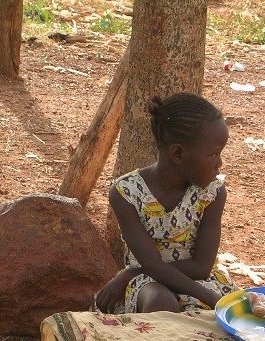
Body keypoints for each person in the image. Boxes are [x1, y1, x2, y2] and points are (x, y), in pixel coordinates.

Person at [95, 91, 238, 315]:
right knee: (160, 302)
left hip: (195, 281)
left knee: (199, 316)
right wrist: (215, 301)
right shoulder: (127, 193)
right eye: (214, 154)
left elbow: (201, 267)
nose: (219, 163)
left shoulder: (211, 193)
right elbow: (152, 265)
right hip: (147, 283)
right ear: (178, 153)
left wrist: (129, 273)